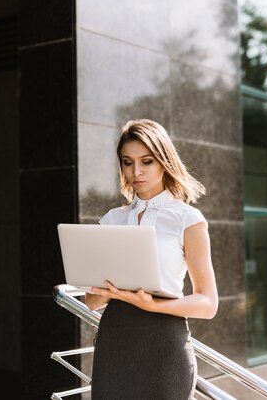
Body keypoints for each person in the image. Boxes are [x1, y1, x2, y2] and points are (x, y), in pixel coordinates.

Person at [85, 119, 218, 400]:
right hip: (115, 344)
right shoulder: (111, 219)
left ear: (163, 161)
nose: (137, 171)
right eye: (128, 162)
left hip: (164, 346)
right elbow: (92, 302)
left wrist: (153, 304)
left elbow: (207, 303)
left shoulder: (187, 219)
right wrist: (105, 290)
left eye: (146, 161)